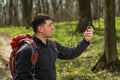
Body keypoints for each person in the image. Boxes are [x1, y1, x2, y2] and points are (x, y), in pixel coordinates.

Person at [15, 13, 93, 80]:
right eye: (50, 25)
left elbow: (71, 53)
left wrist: (85, 40)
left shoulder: (52, 45)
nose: (53, 27)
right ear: (40, 29)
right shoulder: (27, 50)